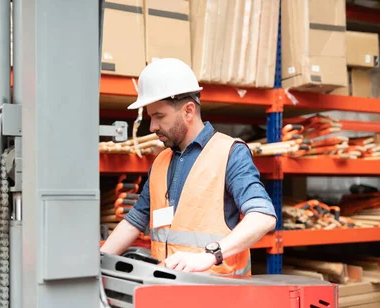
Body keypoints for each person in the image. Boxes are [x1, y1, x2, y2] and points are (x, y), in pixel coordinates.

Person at [100, 58, 277, 276]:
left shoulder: (230, 152)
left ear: (188, 111)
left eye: (159, 116)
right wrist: (97, 263)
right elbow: (133, 223)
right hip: (166, 290)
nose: (153, 126)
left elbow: (263, 216)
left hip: (219, 297)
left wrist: (209, 255)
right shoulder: (161, 162)